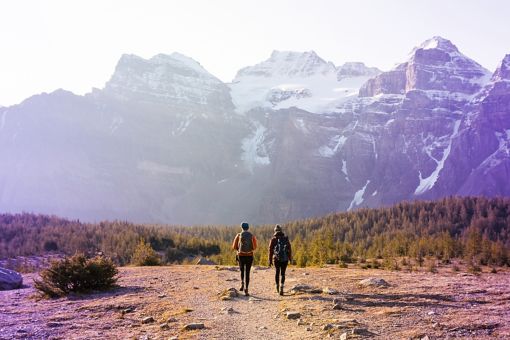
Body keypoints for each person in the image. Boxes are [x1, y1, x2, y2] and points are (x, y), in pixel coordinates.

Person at [232, 222, 257, 296]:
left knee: (242, 270)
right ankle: (246, 288)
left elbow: (234, 246)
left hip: (241, 255)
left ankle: (242, 283)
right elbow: (255, 247)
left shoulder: (239, 235)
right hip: (249, 256)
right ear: (248, 228)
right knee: (248, 272)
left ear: (241, 228)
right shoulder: (252, 236)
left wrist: (238, 250)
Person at [268, 224, 292, 296]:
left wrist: (270, 260)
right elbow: (289, 249)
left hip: (276, 259)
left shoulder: (273, 240)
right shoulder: (285, 239)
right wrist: (290, 259)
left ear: (275, 231)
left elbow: (270, 251)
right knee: (283, 273)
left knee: (277, 272)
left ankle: (277, 286)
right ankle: (282, 286)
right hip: (285, 259)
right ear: (281, 230)